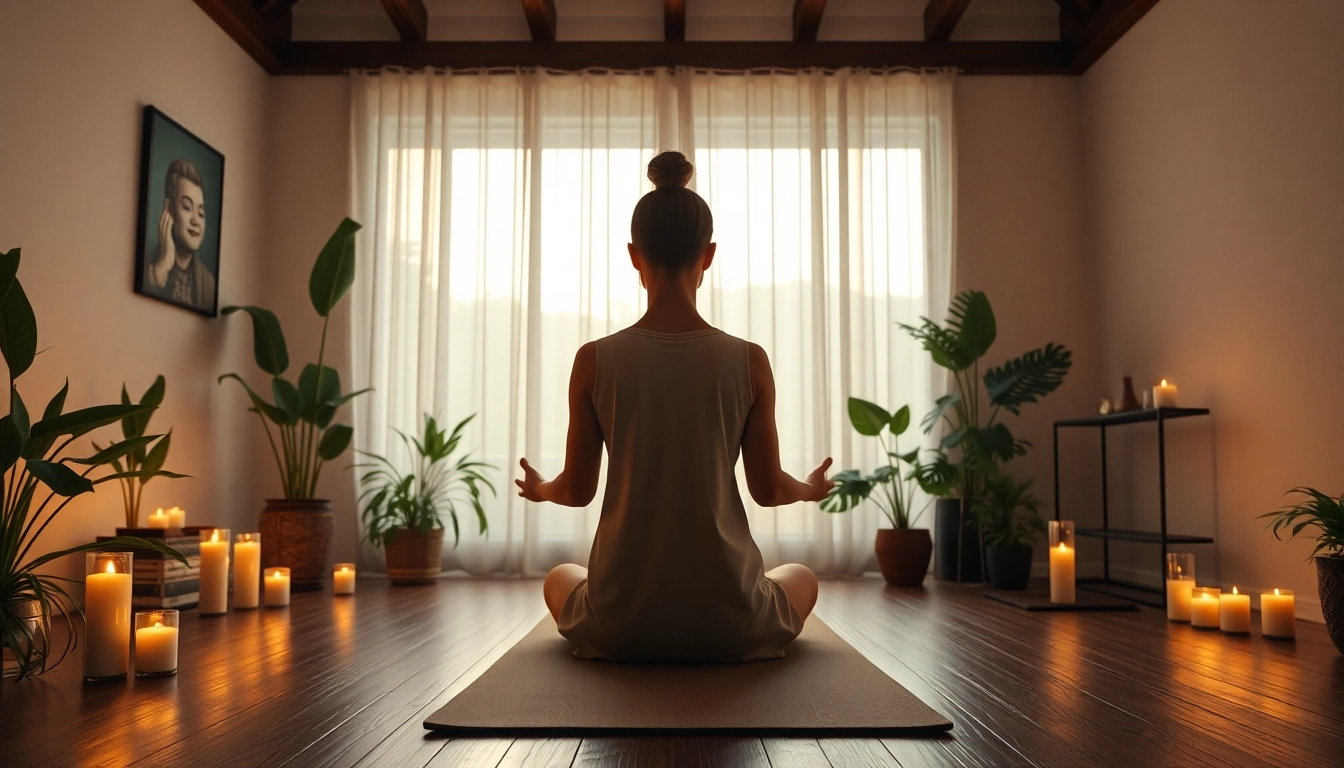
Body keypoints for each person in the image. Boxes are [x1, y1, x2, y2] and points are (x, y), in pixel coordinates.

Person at [515, 151, 833, 663]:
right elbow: (769, 489)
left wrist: (540, 488)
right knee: (800, 577)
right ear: (708, 255)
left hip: (622, 624)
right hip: (730, 622)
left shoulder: (593, 360)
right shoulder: (749, 360)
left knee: (560, 578)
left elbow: (575, 491)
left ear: (634, 255)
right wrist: (810, 488)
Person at [144, 158, 216, 313]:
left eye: (201, 213)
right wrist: (162, 267)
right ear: (169, 209)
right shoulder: (149, 267)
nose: (196, 220)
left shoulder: (208, 282)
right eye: (187, 207)